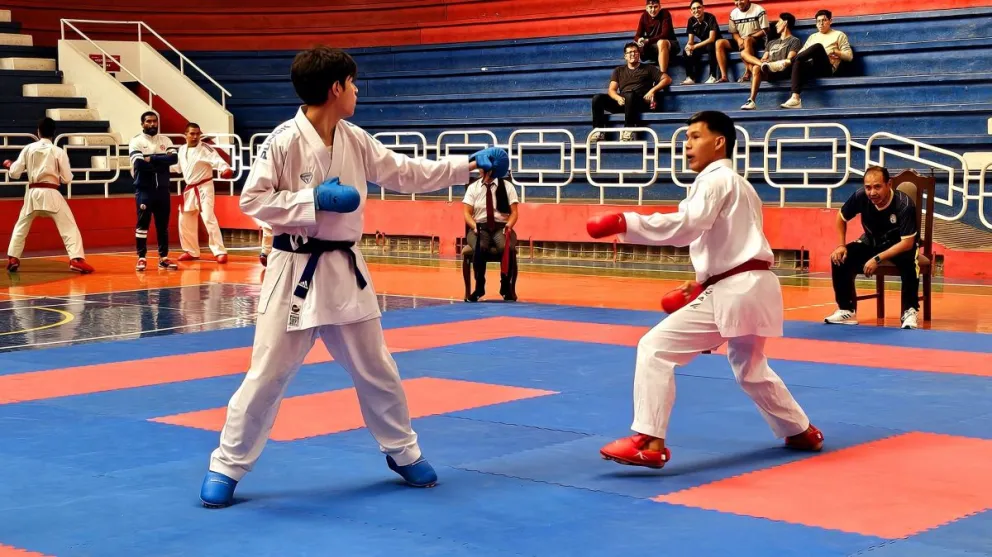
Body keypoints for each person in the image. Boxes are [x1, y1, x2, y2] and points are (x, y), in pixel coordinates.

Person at [198, 45, 509, 508]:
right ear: (336, 88)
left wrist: (469, 165)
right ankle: (226, 464)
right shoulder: (282, 141)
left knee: (378, 369)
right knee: (266, 375)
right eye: (354, 82)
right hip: (294, 271)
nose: (358, 90)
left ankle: (403, 451)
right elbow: (251, 201)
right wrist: (312, 201)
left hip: (345, 271)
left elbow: (405, 172)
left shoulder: (354, 138)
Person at [586, 110, 822, 469]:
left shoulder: (714, 179)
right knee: (750, 368)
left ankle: (650, 441)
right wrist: (702, 281)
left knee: (655, 349)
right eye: (686, 138)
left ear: (720, 142)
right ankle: (799, 428)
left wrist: (627, 222)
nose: (686, 146)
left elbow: (687, 226)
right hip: (755, 287)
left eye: (695, 137)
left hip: (737, 290)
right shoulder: (742, 186)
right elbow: (733, 244)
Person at [824, 166, 920, 329]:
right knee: (839, 258)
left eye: (877, 186)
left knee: (909, 260)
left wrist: (877, 259)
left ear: (888, 184)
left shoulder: (904, 204)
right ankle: (846, 310)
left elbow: (907, 243)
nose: (872, 192)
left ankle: (909, 311)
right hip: (871, 243)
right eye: (868, 187)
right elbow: (840, 217)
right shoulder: (860, 196)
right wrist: (841, 245)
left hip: (899, 246)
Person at [3, 117, 94, 274]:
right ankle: (76, 259)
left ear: (38, 132)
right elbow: (67, 178)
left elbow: (15, 173)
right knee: (69, 226)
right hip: (52, 193)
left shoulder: (28, 148)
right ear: (54, 133)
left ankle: (13, 258)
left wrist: (10, 165)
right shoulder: (58, 152)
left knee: (21, 226)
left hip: (32, 193)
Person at [171, 123, 235, 264]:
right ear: (185, 134)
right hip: (189, 188)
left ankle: (219, 251)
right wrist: (161, 167)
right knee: (184, 219)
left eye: (197, 134)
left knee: (208, 218)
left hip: (204, 187)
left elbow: (219, 161)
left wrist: (225, 169)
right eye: (192, 134)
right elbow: (177, 167)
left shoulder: (205, 149)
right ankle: (191, 251)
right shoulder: (181, 150)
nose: (195, 136)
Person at [590, 43, 672, 142]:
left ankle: (629, 129)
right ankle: (598, 131)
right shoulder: (619, 70)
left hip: (639, 101)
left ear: (639, 54)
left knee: (630, 94)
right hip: (623, 101)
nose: (632, 54)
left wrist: (652, 90)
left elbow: (667, 79)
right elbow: (611, 90)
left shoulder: (649, 69)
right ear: (625, 56)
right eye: (629, 52)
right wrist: (618, 98)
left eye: (635, 52)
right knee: (597, 98)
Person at [128, 111, 178, 271]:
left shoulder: (165, 140)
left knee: (162, 226)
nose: (152, 124)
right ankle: (141, 257)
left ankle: (163, 258)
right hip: (144, 190)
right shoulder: (136, 141)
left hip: (163, 191)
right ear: (142, 124)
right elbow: (140, 165)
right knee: (142, 225)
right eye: (148, 121)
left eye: (154, 121)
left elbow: (174, 159)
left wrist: (153, 158)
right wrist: (161, 162)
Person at [462, 170, 519, 302]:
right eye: (483, 168)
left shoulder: (507, 186)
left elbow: (514, 213)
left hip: (502, 227)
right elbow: (467, 213)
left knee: (507, 248)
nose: (486, 171)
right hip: (479, 227)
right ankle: (479, 288)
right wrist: (474, 226)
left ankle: (506, 288)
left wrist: (508, 226)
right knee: (480, 246)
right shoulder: (473, 187)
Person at [781, 9, 853, 109]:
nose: (821, 23)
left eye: (824, 20)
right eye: (818, 21)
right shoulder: (813, 37)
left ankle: (784, 63)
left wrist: (835, 51)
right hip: (811, 66)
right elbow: (801, 53)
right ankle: (795, 98)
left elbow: (849, 56)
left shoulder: (839, 35)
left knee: (818, 47)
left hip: (827, 67)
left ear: (830, 21)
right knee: (798, 60)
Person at [740, 13, 801, 110]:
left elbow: (789, 60)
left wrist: (771, 63)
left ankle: (752, 99)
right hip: (767, 70)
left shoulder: (794, 41)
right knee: (744, 54)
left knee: (757, 67)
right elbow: (764, 58)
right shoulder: (771, 43)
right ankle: (751, 101)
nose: (776, 25)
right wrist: (763, 62)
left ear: (785, 23)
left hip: (781, 71)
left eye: (779, 22)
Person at [682, 0, 730, 85]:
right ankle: (690, 78)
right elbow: (690, 41)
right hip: (703, 44)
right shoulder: (691, 21)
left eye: (698, 7)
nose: (696, 10)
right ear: (691, 11)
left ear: (703, 8)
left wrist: (694, 46)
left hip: (716, 44)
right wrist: (688, 47)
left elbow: (711, 39)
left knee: (710, 46)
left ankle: (713, 76)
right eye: (693, 9)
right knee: (686, 51)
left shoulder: (710, 17)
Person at [728, 0, 769, 82]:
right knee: (719, 43)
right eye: (736, 0)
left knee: (747, 40)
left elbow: (765, 30)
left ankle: (748, 72)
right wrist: (739, 39)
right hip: (741, 39)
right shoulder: (733, 13)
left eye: (741, 0)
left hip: (758, 39)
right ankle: (723, 77)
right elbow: (734, 33)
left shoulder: (759, 9)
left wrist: (749, 37)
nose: (739, 2)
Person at [634, 0, 678, 74]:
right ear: (646, 8)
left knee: (661, 42)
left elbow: (665, 35)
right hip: (654, 47)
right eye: (650, 7)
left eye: (655, 7)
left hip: (670, 45)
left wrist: (648, 41)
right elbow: (637, 35)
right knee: (631, 47)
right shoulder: (644, 16)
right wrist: (639, 40)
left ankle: (662, 75)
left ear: (660, 7)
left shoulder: (665, 13)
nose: (653, 10)